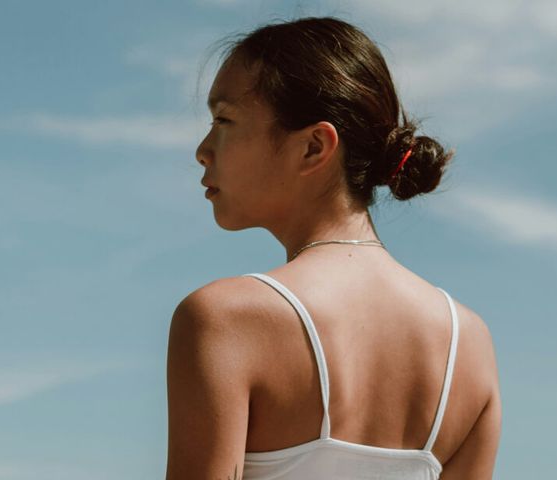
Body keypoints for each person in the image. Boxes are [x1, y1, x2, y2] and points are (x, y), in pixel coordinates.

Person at [166, 16, 500, 480]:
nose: (203, 149)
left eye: (224, 119)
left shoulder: (226, 320)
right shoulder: (469, 344)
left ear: (313, 147)